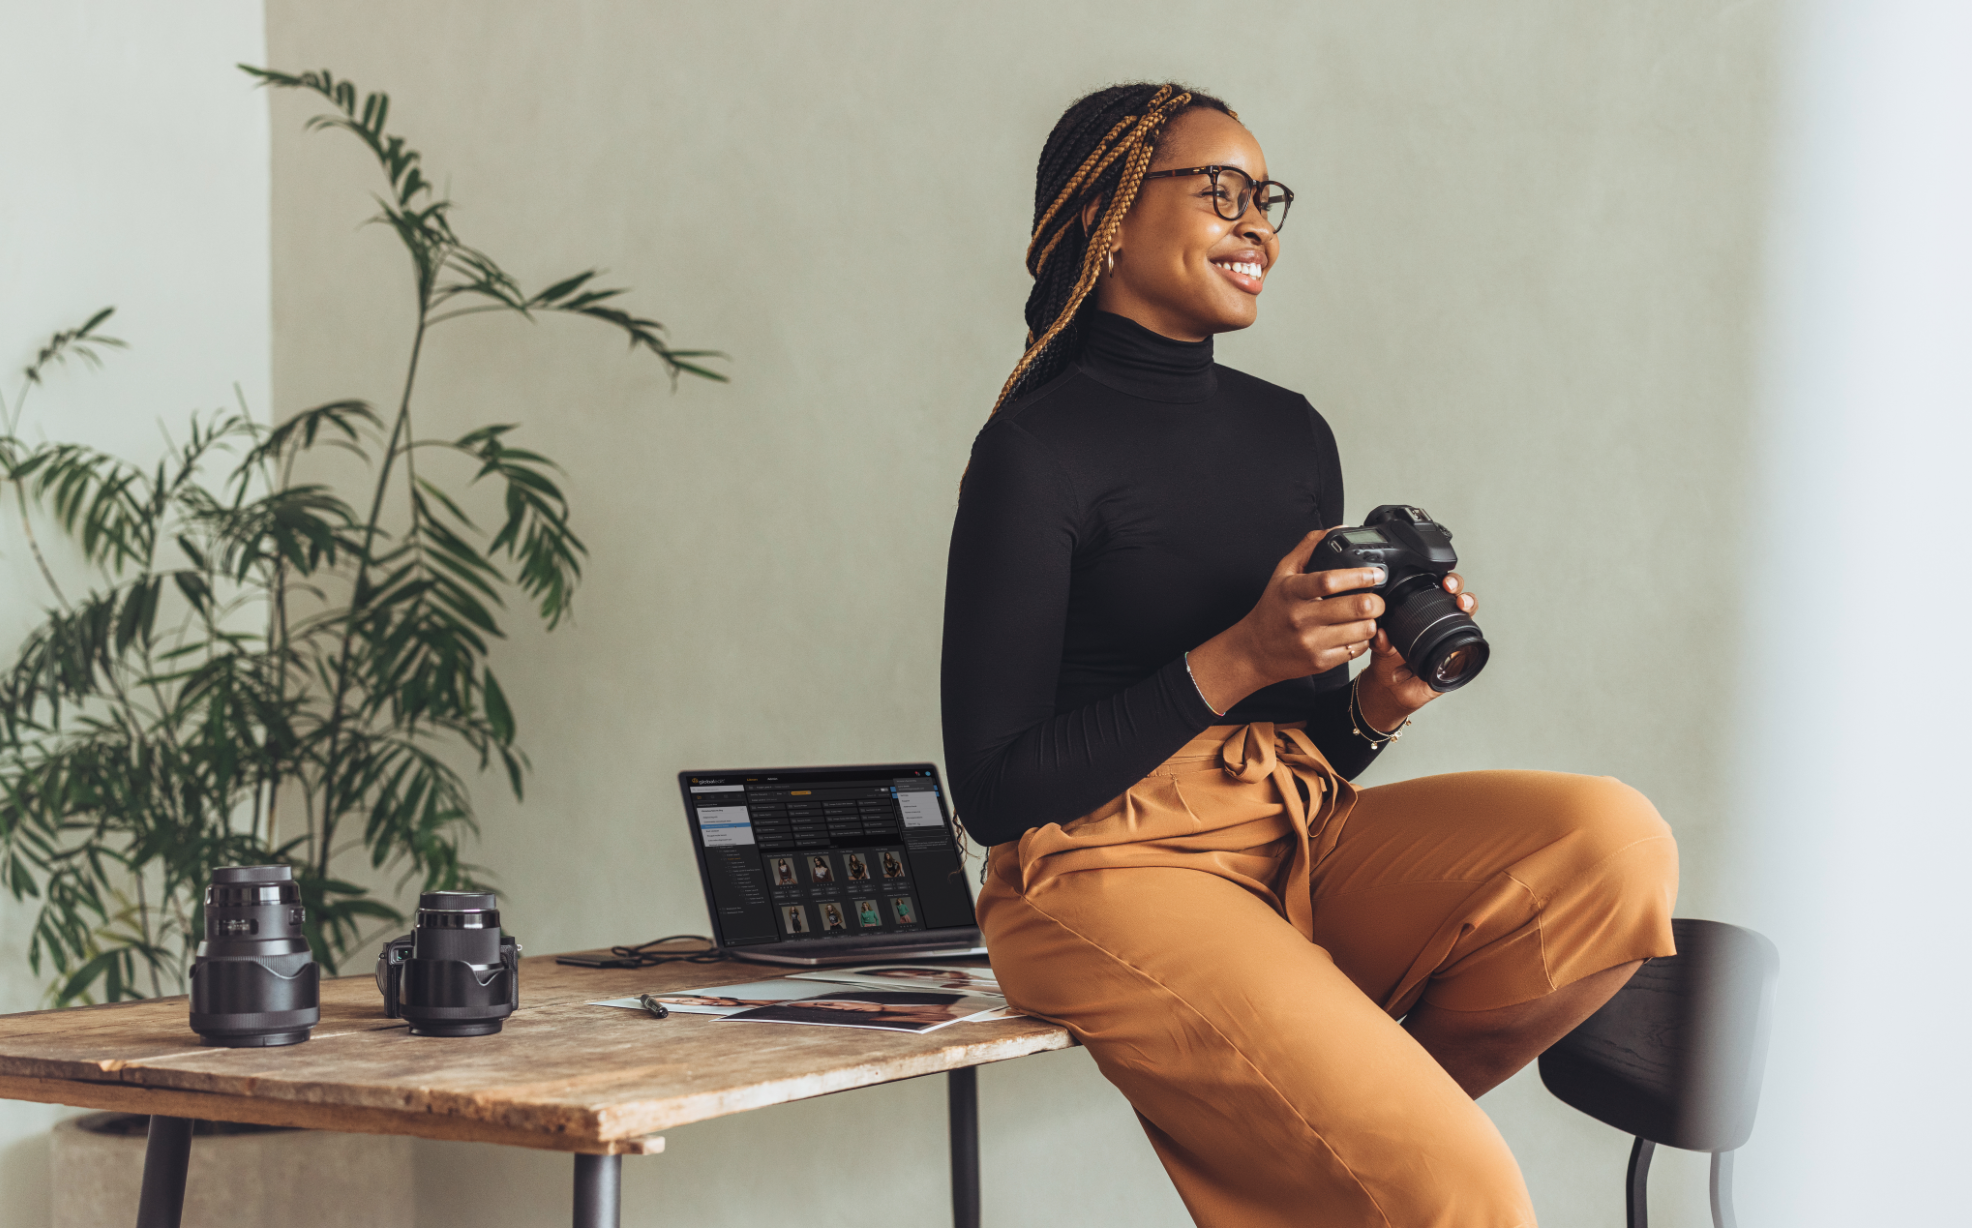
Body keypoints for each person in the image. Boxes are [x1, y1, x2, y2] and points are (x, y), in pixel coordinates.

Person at [940, 83, 1677, 1228]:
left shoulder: (1290, 431)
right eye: (1220, 193)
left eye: (1266, 200)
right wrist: (1232, 658)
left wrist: (1377, 706)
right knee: (1462, 1190)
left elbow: (1303, 742)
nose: (1259, 229)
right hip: (1105, 872)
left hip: (1294, 838)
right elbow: (993, 790)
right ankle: (1376, 1159)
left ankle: (1342, 1143)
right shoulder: (1035, 449)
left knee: (1608, 842)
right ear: (1110, 214)